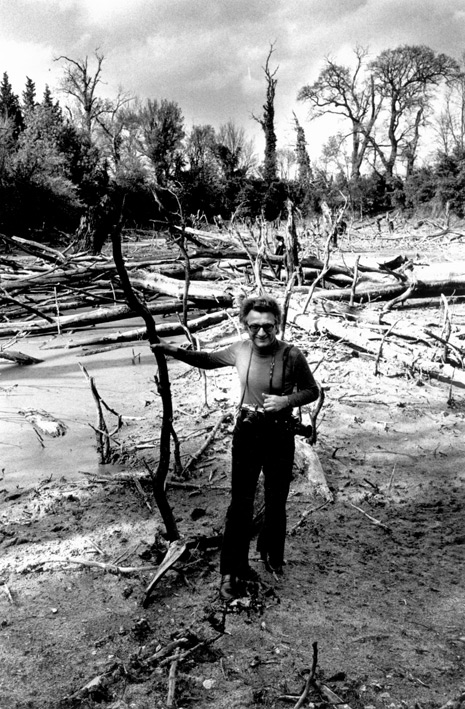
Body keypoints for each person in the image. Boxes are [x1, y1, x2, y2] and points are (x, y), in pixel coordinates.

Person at [152, 294, 319, 601]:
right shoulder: (240, 350)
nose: (261, 332)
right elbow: (207, 359)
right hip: (247, 432)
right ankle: (232, 570)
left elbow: (312, 390)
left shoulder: (292, 355)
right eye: (254, 325)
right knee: (240, 505)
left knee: (277, 498)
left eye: (268, 326)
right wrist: (172, 350)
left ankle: (271, 553)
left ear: (278, 324)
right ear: (245, 324)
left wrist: (286, 401)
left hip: (280, 434)